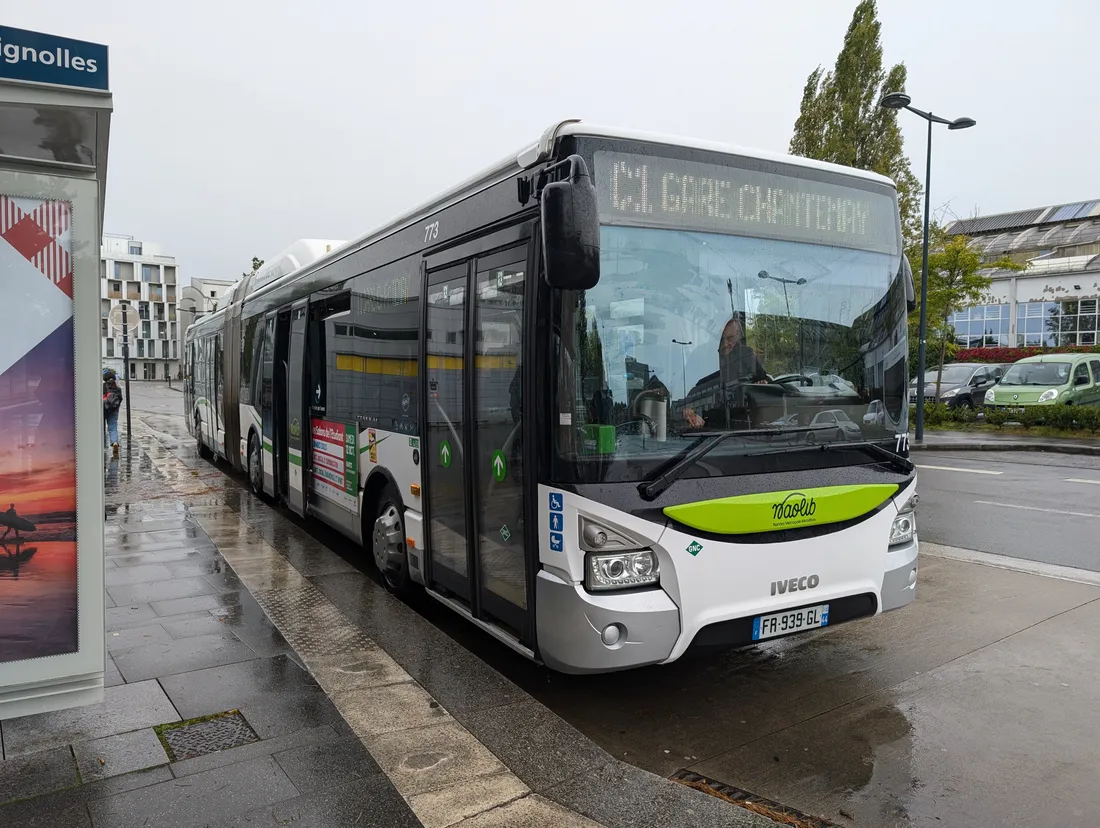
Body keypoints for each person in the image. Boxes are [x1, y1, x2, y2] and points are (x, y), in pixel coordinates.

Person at [682, 316, 768, 428]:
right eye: (721, 339)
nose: (726, 343)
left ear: (738, 335)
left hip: (746, 429)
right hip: (709, 432)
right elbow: (685, 400)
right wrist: (690, 413)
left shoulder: (747, 356)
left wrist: (763, 384)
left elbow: (765, 382)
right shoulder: (699, 356)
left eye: (731, 338)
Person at [103, 368, 123, 456]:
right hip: (114, 410)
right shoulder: (117, 388)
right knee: (113, 428)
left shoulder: (103, 387)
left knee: (101, 428)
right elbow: (120, 399)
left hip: (103, 409)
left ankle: (103, 445)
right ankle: (114, 442)